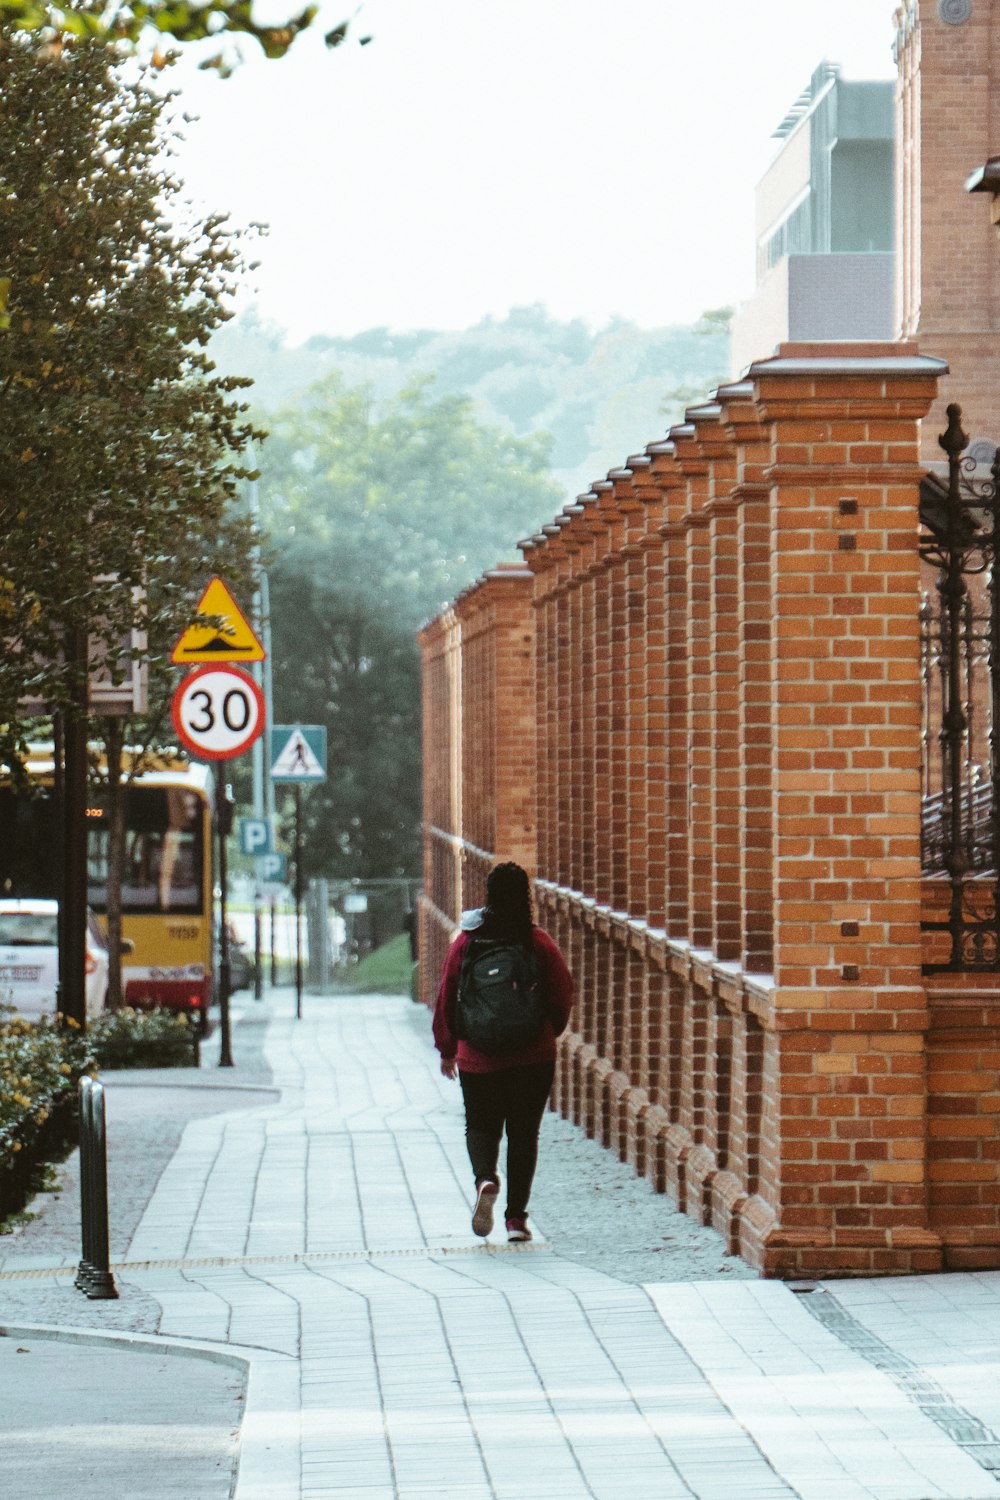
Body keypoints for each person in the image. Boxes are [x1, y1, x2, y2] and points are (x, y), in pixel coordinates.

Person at [433, 862, 573, 1242]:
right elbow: (563, 992)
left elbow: (447, 994)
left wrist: (448, 1048)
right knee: (524, 1134)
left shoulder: (467, 942)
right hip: (533, 1055)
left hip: (478, 1056)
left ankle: (484, 1179)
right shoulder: (536, 941)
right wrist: (547, 1032)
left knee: (480, 1124)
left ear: (489, 894)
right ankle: (516, 1221)